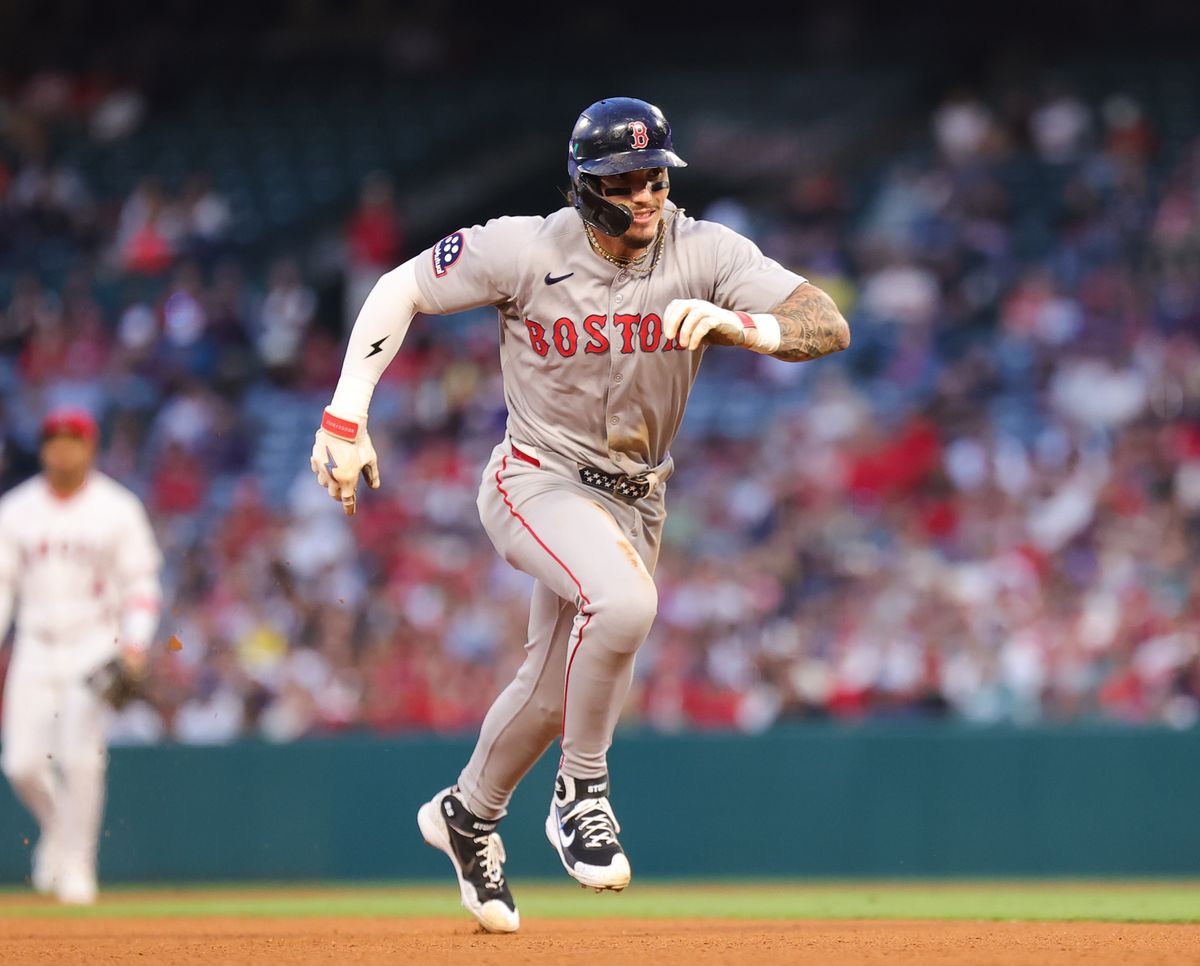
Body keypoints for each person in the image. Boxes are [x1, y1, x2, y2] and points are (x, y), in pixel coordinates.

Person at [310, 97, 850, 932]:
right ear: (584, 187)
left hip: (637, 496)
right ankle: (581, 794)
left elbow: (827, 321)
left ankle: (468, 814)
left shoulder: (705, 250)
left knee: (555, 689)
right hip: (537, 477)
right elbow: (398, 289)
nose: (645, 195)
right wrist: (344, 419)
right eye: (624, 180)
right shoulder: (524, 247)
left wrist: (747, 326)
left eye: (654, 177)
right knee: (627, 606)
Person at [0, 408, 162, 904]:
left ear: (90, 448)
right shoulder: (16, 509)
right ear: (44, 448)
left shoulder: (117, 508)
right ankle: (59, 831)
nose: (63, 449)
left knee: (81, 759)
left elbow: (140, 583)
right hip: (34, 643)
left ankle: (78, 867)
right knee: (21, 764)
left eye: (73, 440)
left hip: (94, 643)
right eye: (54, 440)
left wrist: (135, 641)